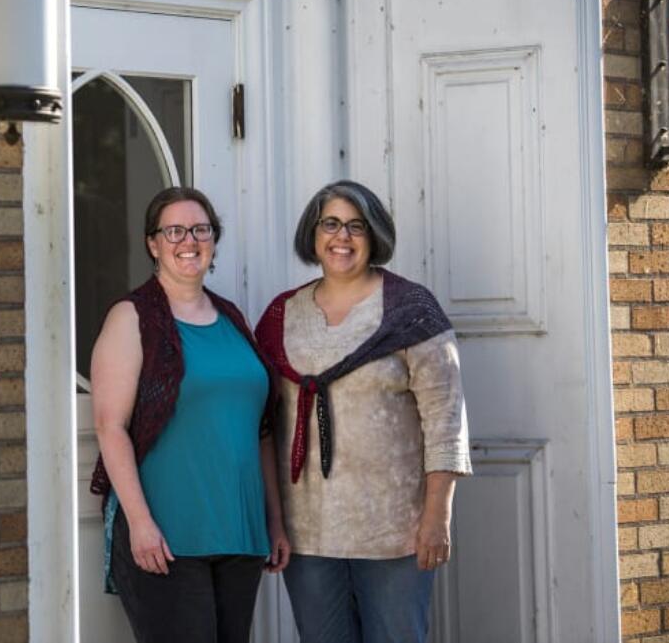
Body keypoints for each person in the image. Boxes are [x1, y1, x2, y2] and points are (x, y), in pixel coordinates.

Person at [254, 180, 472, 643]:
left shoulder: (410, 310)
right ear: (313, 235)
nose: (342, 237)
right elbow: (264, 425)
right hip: (308, 532)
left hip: (395, 532)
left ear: (374, 236)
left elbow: (445, 422)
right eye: (330, 224)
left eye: (356, 226)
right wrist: (273, 520)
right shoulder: (282, 315)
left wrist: (438, 517)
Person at [89, 186, 291, 643]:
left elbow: (260, 430)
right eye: (174, 230)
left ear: (214, 240)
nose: (189, 240)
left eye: (201, 229)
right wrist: (140, 524)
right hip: (167, 537)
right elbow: (111, 426)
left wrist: (274, 521)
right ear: (153, 243)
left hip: (239, 534)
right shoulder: (132, 317)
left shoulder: (232, 317)